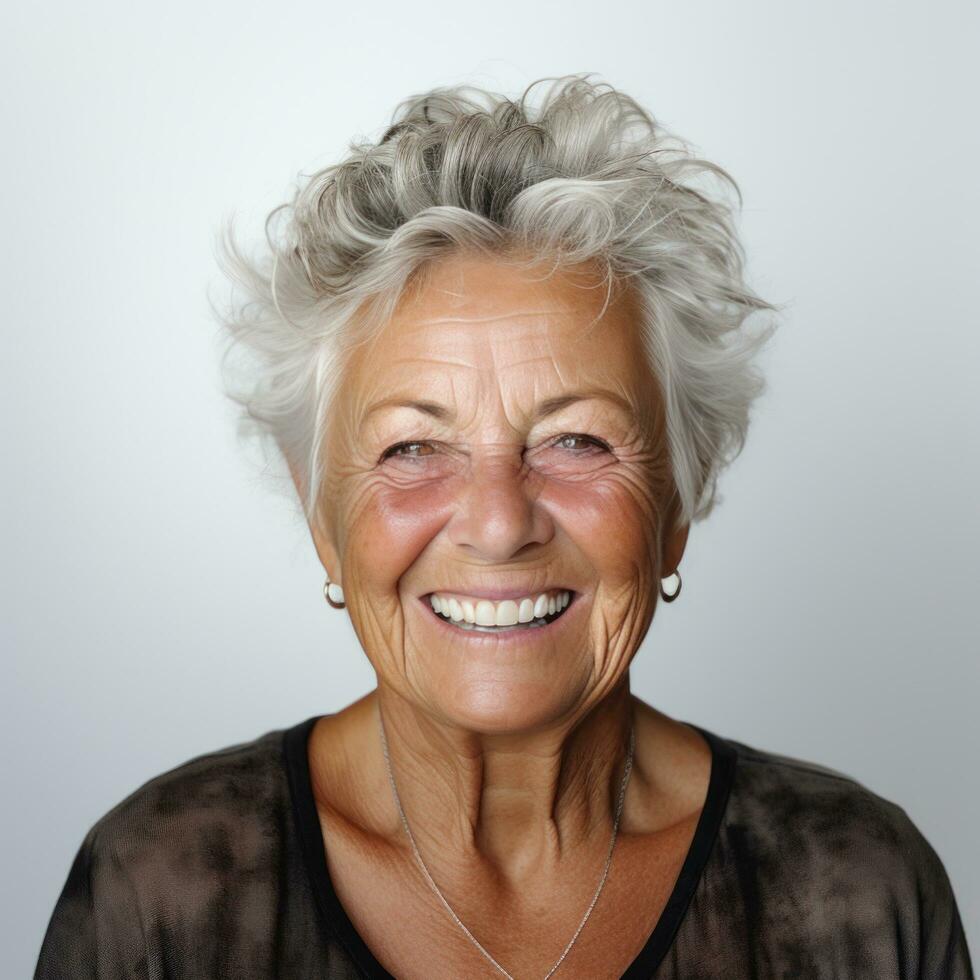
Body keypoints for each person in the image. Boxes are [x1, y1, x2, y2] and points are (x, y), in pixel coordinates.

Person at [34, 74, 973, 979]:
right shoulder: (157, 893)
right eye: (411, 448)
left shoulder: (859, 889)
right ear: (322, 515)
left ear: (677, 505)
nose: (496, 521)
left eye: (575, 440)